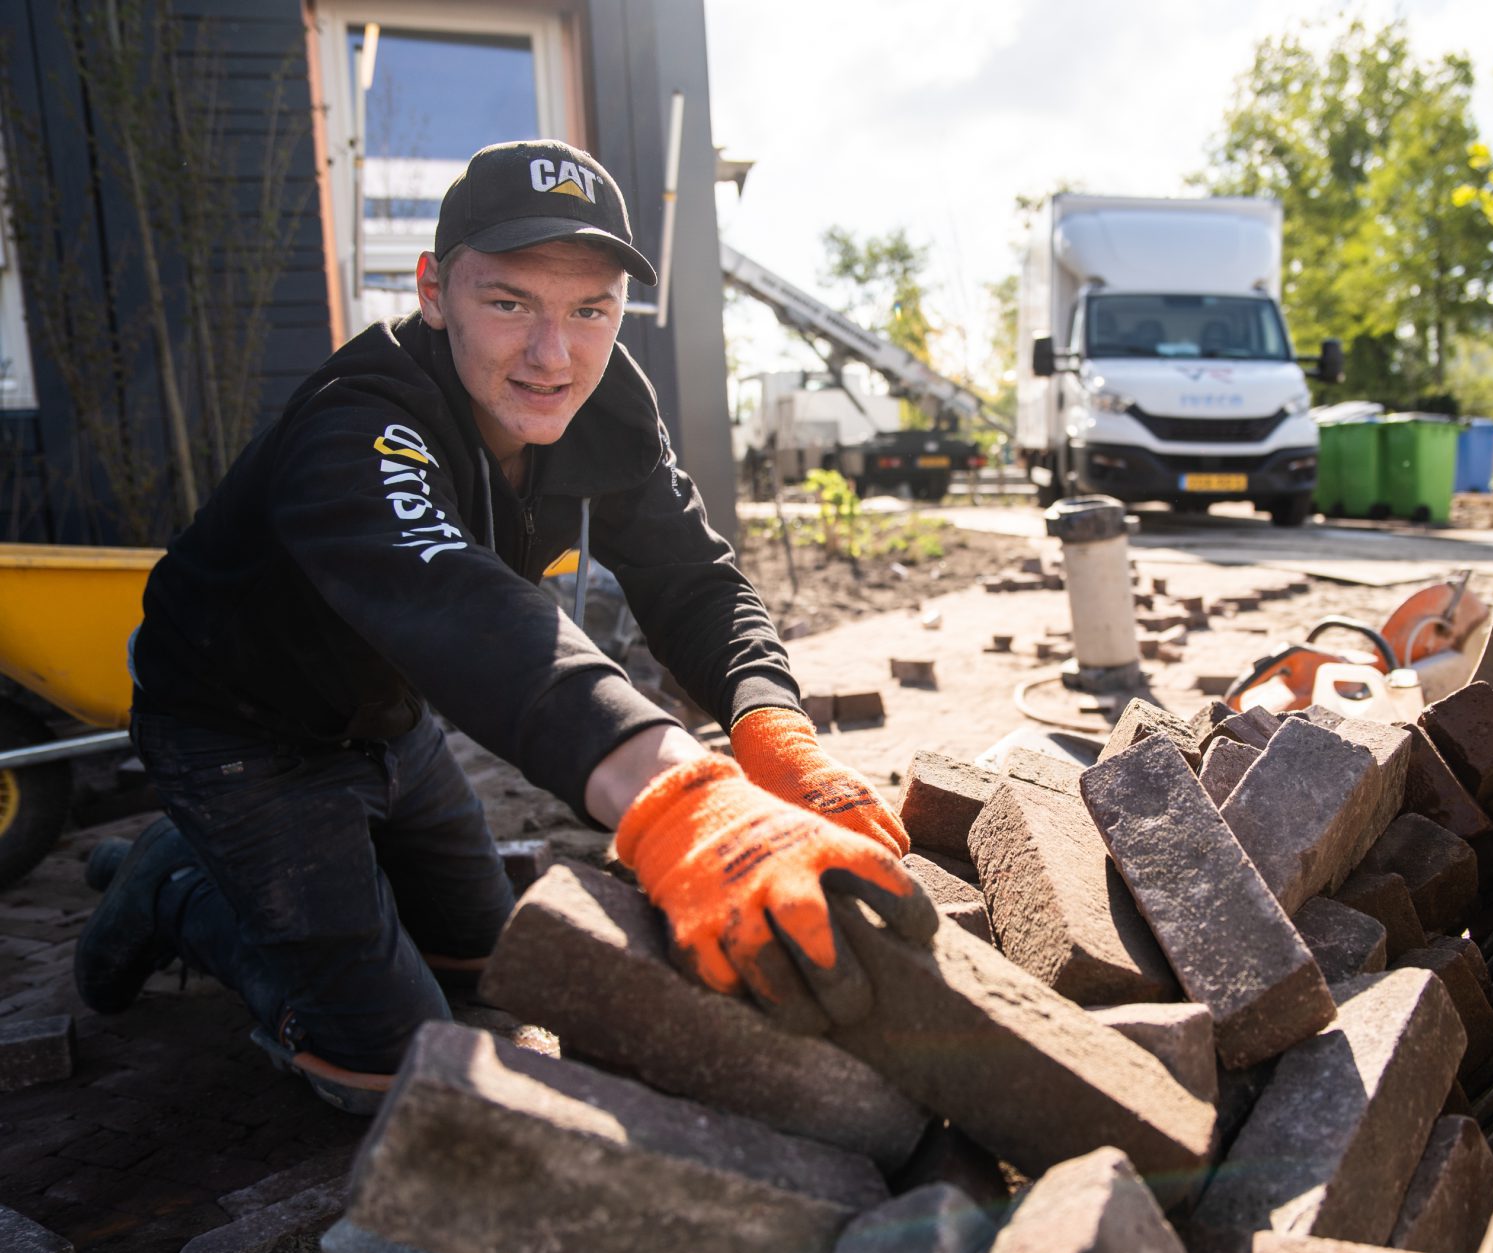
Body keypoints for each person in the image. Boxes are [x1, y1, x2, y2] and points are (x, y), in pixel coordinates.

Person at [74, 139, 934, 1112]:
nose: (553, 354)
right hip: (241, 730)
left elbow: (690, 576)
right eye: (510, 302)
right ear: (434, 290)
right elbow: (465, 609)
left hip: (388, 720)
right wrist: (679, 798)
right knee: (385, 1065)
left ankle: (291, 882)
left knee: (486, 957)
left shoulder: (605, 404)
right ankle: (175, 888)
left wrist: (772, 727)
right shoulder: (359, 421)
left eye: (590, 309)